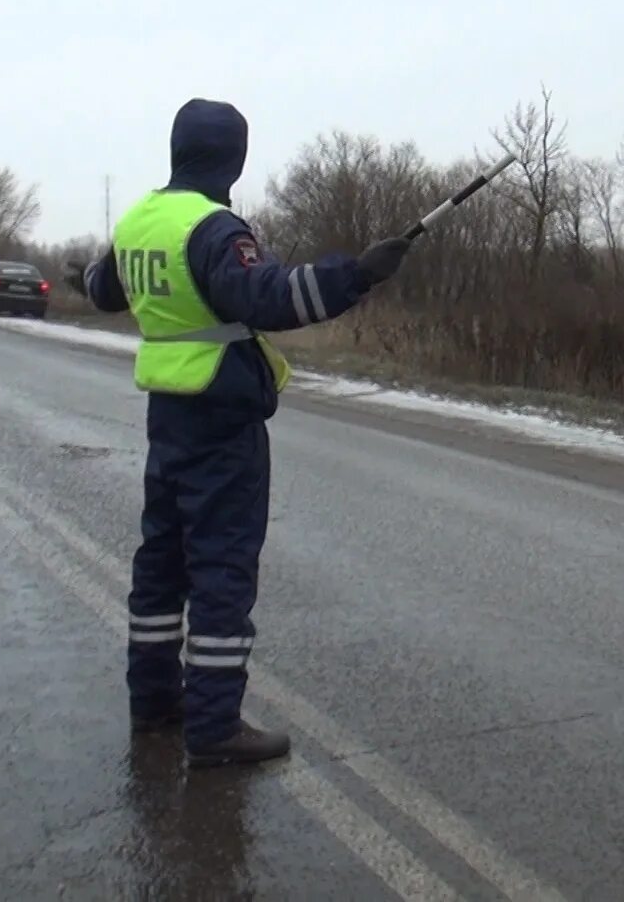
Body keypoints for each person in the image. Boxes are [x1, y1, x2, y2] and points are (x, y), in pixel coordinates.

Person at [83, 98, 412, 768]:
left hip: (168, 415)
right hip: (222, 419)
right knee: (222, 569)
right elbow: (267, 297)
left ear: (178, 150)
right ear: (232, 157)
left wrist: (86, 279)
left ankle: (153, 706)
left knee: (160, 566)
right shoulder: (213, 227)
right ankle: (214, 726)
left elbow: (102, 289)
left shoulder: (142, 219)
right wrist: (356, 275)